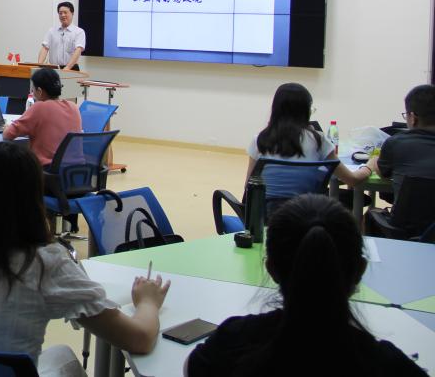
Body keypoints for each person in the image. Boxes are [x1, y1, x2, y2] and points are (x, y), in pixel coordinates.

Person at [0, 142, 169, 377]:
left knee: (58, 355)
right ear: (33, 199)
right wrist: (148, 302)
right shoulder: (45, 265)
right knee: (63, 357)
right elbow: (139, 339)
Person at [186, 194, 424, 376]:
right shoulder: (387, 365)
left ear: (271, 269)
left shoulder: (231, 343)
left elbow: (192, 367)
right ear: (359, 271)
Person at [247, 83, 372, 196]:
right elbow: (352, 180)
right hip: (306, 210)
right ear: (306, 111)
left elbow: (249, 188)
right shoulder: (318, 140)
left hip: (266, 211)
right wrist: (369, 167)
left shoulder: (259, 140)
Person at [3, 68, 82, 168]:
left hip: (47, 170)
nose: (32, 93)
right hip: (75, 170)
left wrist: (6, 127)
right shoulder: (74, 107)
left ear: (39, 91)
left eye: (33, 90)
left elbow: (7, 135)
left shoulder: (39, 107)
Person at [373, 84, 435, 199]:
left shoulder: (395, 143)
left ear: (412, 117)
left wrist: (374, 161)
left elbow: (383, 173)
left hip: (407, 211)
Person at [37, 2, 85, 71]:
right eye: (60, 13)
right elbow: (45, 48)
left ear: (72, 13)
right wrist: (39, 65)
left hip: (71, 68)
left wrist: (68, 67)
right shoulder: (52, 31)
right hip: (54, 68)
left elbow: (78, 50)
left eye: (65, 12)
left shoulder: (79, 32)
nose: (63, 15)